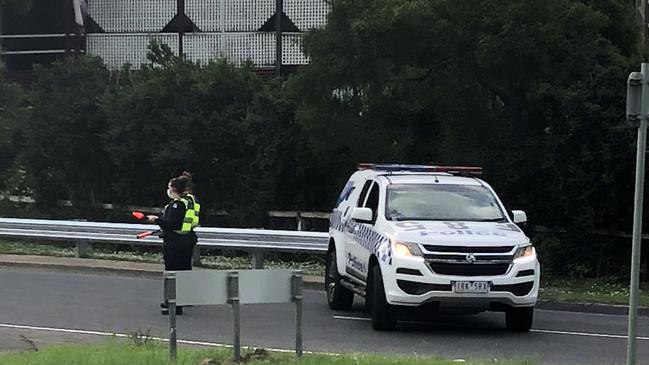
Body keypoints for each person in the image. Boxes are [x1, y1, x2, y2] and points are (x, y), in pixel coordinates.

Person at [147, 171, 200, 315]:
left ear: (174, 189)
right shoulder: (189, 200)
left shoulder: (177, 205)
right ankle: (183, 300)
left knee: (172, 273)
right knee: (183, 271)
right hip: (187, 238)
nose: (168, 190)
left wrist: (156, 220)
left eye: (170, 187)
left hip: (175, 242)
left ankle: (173, 304)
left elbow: (171, 223)